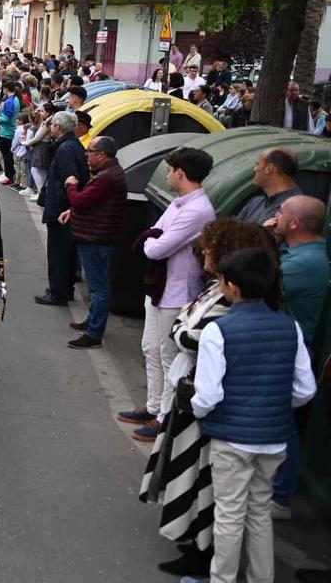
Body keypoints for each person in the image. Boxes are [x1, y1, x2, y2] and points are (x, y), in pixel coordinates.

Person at [139, 218, 278, 578]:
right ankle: (205, 551)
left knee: (211, 494)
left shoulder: (230, 309)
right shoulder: (223, 295)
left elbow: (186, 335)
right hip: (233, 418)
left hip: (209, 410)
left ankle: (210, 564)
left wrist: (182, 327)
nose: (202, 254)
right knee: (233, 501)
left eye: (209, 249)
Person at [179, 248, 317, 583]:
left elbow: (208, 395)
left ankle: (222, 580)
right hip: (273, 440)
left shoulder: (219, 331)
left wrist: (198, 412)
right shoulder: (291, 328)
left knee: (228, 515)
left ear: (233, 287)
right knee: (259, 513)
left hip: (231, 439)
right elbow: (305, 390)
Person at [122, 147, 216, 442]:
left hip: (177, 291)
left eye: (170, 170)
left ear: (180, 173)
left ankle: (164, 418)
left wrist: (151, 241)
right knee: (150, 347)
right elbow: (154, 233)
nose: (167, 175)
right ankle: (152, 407)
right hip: (160, 286)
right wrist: (152, 239)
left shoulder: (197, 210)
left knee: (168, 354)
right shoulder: (180, 203)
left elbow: (155, 245)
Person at [270, 195, 329, 519]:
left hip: (291, 349)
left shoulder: (305, 262)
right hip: (287, 344)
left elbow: (263, 283)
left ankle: (279, 495)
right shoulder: (298, 253)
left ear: (294, 223)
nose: (274, 215)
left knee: (283, 424)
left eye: (280, 213)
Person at [62, 135, 127, 349]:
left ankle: (94, 332)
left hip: (96, 238)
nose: (86, 155)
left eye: (89, 151)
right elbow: (92, 203)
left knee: (99, 289)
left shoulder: (106, 177)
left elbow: (82, 200)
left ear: (100, 155)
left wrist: (71, 186)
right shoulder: (106, 174)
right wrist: (72, 211)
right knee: (97, 286)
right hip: (95, 235)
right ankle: (92, 322)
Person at [36, 112, 88, 307]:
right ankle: (63, 289)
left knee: (58, 252)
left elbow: (70, 180)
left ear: (57, 127)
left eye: (51, 125)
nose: (49, 128)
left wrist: (63, 206)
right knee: (64, 252)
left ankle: (58, 292)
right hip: (64, 206)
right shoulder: (72, 145)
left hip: (61, 208)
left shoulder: (65, 148)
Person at [237, 147, 301, 226]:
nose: (254, 169)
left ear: (269, 168)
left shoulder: (297, 208)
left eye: (258, 164)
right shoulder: (255, 203)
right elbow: (233, 232)